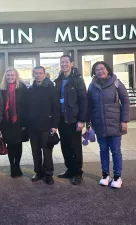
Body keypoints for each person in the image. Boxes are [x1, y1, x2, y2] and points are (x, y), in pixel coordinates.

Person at [86, 61, 130, 189]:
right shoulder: (92, 86)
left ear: (108, 70)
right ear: (94, 72)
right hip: (99, 124)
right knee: (103, 150)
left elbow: (126, 101)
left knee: (116, 151)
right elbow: (89, 105)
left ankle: (117, 177)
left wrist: (124, 120)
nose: (100, 71)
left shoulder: (116, 83)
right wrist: (88, 123)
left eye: (102, 68)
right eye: (97, 69)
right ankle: (105, 175)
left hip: (115, 123)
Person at [53, 55, 88, 185]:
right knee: (65, 146)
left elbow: (84, 100)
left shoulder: (77, 80)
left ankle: (78, 173)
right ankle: (70, 169)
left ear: (71, 64)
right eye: (62, 62)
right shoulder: (58, 80)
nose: (64, 64)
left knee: (75, 147)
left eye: (66, 62)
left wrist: (81, 120)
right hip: (62, 119)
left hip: (74, 119)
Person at [24, 66, 60, 185]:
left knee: (47, 150)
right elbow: (27, 108)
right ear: (33, 75)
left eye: (40, 73)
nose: (38, 75)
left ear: (44, 74)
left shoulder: (51, 89)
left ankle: (48, 174)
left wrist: (54, 125)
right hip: (33, 126)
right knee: (35, 151)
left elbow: (56, 108)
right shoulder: (30, 90)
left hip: (47, 125)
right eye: (36, 73)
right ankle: (38, 172)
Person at [0, 67, 27, 178]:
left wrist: (25, 123)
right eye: (8, 75)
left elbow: (27, 106)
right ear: (5, 77)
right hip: (7, 122)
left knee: (18, 144)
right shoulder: (2, 90)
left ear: (16, 76)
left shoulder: (22, 88)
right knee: (10, 145)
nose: (10, 77)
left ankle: (17, 165)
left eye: (12, 75)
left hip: (19, 121)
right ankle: (12, 166)